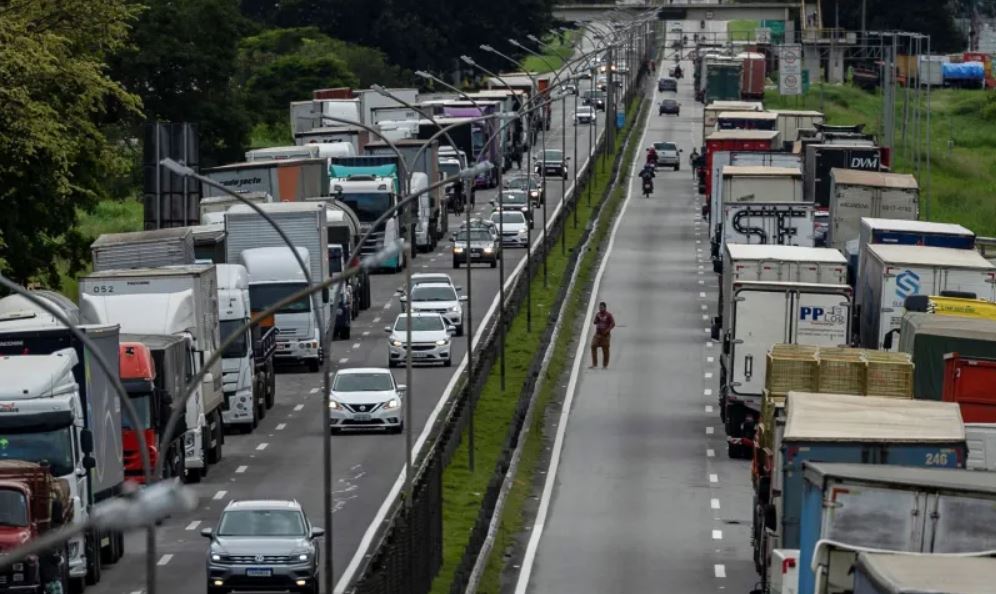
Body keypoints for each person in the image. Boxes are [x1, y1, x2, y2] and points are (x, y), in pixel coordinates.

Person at [590, 302, 615, 369]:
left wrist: (607, 330)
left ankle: (605, 365)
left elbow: (613, 324)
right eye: (599, 307)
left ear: (605, 308)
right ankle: (594, 364)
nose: (600, 309)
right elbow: (595, 322)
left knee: (605, 349)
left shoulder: (609, 315)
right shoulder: (598, 314)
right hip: (598, 334)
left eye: (602, 307)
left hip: (605, 335)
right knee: (593, 346)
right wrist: (596, 320)